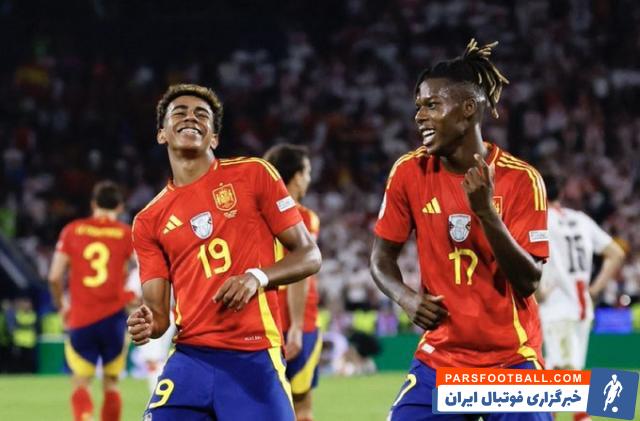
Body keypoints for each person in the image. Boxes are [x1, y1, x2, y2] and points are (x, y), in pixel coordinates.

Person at [369, 39, 551, 420]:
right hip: (441, 361)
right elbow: (381, 258)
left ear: (468, 109)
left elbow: (528, 281)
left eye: (432, 105)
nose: (419, 116)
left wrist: (486, 213)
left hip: (510, 360)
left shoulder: (521, 180)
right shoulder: (408, 172)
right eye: (418, 106)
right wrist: (405, 297)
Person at [126, 84, 321, 421]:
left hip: (254, 354)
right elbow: (158, 317)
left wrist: (257, 277)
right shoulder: (148, 221)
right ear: (162, 134)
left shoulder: (253, 174)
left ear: (214, 138)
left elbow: (309, 255)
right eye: (180, 112)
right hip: (190, 358)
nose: (191, 118)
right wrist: (147, 323)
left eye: (202, 114)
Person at [48, 181, 135, 421]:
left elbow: (54, 277)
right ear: (120, 207)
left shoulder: (73, 230)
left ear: (93, 204)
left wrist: (62, 306)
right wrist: (133, 297)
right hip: (114, 318)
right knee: (112, 383)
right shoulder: (126, 234)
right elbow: (145, 269)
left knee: (80, 382)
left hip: (81, 317)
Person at [537, 175, 624, 373]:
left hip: (556, 305)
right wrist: (594, 290)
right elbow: (616, 254)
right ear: (561, 193)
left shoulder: (539, 220)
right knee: (573, 370)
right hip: (582, 305)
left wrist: (538, 292)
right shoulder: (581, 219)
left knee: (559, 372)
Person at [264, 144, 322, 421]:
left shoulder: (258, 215)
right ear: (297, 176)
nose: (308, 178)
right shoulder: (303, 216)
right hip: (296, 322)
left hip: (262, 320)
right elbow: (301, 272)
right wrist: (297, 327)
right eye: (307, 172)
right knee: (302, 407)